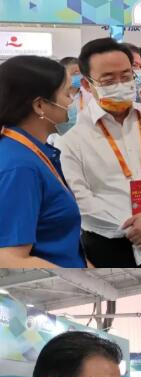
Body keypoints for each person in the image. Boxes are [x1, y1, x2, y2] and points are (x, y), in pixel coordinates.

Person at [58, 38, 141, 267]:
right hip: (109, 246)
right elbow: (79, 197)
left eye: (126, 77)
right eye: (108, 80)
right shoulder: (72, 139)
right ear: (87, 84)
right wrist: (134, 228)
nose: (120, 84)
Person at [0, 55, 87, 268]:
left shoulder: (34, 152)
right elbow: (9, 258)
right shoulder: (21, 167)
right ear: (40, 105)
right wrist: (81, 281)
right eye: (66, 94)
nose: (71, 102)